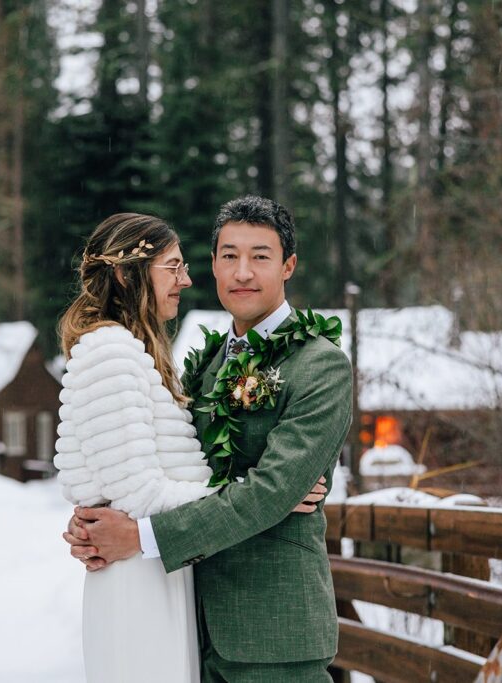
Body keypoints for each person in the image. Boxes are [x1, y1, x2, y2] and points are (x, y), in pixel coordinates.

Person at [65, 196, 353, 682]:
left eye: (260, 256)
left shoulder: (319, 365)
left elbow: (271, 491)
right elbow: (160, 463)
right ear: (215, 265)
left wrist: (137, 536)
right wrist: (96, 515)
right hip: (189, 624)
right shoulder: (207, 367)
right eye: (228, 256)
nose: (243, 272)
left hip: (272, 632)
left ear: (288, 266)